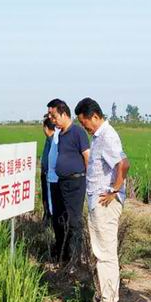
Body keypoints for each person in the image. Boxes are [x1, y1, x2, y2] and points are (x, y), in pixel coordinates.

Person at [75, 97, 130, 302]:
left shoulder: (107, 136)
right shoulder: (98, 136)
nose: (85, 127)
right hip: (99, 203)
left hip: (105, 204)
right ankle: (107, 297)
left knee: (105, 254)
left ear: (95, 116)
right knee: (102, 252)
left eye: (85, 123)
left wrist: (114, 190)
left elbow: (123, 164)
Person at [47, 98, 90, 266]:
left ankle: (75, 260)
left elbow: (87, 157)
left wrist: (88, 180)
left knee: (74, 222)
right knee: (60, 219)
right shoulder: (61, 134)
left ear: (64, 114)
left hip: (75, 183)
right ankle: (63, 255)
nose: (52, 120)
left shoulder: (77, 132)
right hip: (61, 182)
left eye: (54, 116)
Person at [40, 115, 58, 222]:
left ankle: (50, 219)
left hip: (50, 175)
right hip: (47, 174)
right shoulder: (51, 139)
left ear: (46, 128)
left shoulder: (53, 140)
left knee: (50, 199)